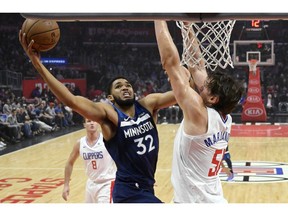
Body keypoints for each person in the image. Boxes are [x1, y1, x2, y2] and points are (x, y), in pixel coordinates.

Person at [19, 30, 176, 203]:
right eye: (118, 86)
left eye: (128, 85)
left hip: (147, 187)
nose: (125, 87)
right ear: (110, 97)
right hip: (129, 192)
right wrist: (38, 65)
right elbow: (72, 101)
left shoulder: (148, 104)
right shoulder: (109, 114)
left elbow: (181, 93)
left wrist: (184, 70)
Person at [155, 20, 244, 203]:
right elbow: (197, 66)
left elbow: (170, 64)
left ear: (213, 99)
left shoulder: (200, 113)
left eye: (205, 87)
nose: (201, 84)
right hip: (212, 201)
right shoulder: (224, 118)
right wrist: (187, 28)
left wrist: (159, 17)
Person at [62, 118, 116, 203]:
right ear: (84, 125)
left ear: (98, 123)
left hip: (107, 183)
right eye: (89, 121)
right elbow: (69, 163)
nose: (92, 123)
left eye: (94, 120)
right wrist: (66, 185)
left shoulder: (107, 140)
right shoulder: (80, 143)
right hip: (91, 183)